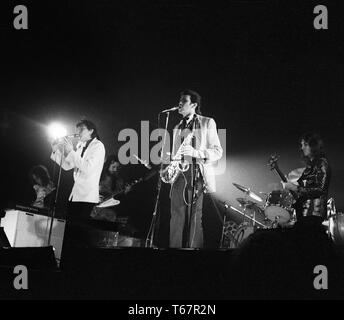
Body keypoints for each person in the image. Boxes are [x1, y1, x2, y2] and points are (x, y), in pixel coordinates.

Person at [168, 89, 223, 248]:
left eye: (183, 101)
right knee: (176, 216)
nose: (179, 103)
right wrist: (170, 169)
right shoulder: (177, 127)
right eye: (179, 100)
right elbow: (175, 154)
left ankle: (194, 252)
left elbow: (218, 151)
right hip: (179, 175)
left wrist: (196, 153)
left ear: (193, 105)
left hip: (197, 175)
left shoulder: (207, 122)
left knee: (195, 217)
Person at [50, 119, 105, 247]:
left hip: (87, 196)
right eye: (77, 130)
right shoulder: (80, 146)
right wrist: (55, 150)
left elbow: (87, 168)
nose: (78, 133)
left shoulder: (98, 146)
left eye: (81, 129)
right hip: (75, 195)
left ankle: (79, 259)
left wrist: (71, 151)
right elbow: (67, 165)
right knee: (70, 230)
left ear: (91, 131)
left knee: (79, 232)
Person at [283, 133, 331, 232]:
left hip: (314, 214)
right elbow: (304, 188)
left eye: (304, 144)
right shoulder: (311, 165)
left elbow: (320, 189)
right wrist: (291, 183)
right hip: (305, 213)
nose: (302, 148)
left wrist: (294, 188)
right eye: (302, 145)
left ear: (313, 146)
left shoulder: (322, 164)